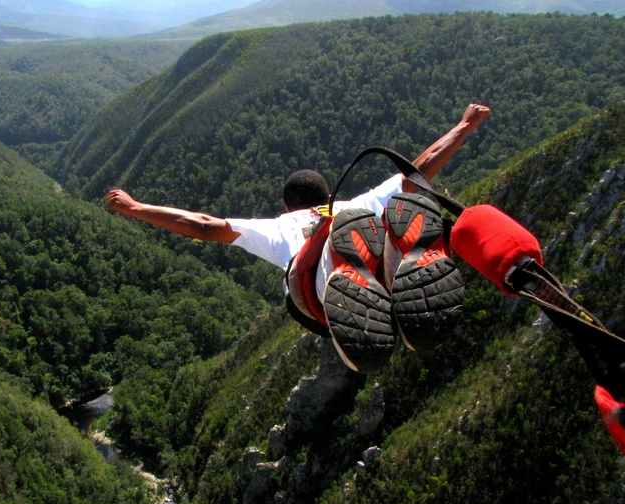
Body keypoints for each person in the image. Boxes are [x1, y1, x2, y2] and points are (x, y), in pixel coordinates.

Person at [106, 104, 491, 371]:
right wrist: (463, 126)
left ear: (288, 205)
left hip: (324, 295)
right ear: (327, 196)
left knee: (303, 282)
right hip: (365, 237)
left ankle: (345, 276)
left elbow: (204, 226)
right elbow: (420, 169)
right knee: (395, 207)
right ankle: (401, 261)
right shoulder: (355, 204)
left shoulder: (280, 227)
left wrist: (136, 208)